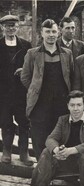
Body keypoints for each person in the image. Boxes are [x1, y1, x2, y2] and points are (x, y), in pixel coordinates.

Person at [21, 90, 84, 186]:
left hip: (82, 163)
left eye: (79, 105)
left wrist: (71, 150)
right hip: (65, 161)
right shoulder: (62, 120)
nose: (76, 109)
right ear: (68, 106)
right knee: (48, 151)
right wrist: (57, 150)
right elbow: (51, 138)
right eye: (72, 105)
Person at [21, 19, 74, 160]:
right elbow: (25, 77)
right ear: (42, 34)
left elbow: (71, 77)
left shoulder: (67, 54)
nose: (51, 35)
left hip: (61, 105)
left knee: (60, 138)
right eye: (48, 31)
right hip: (40, 105)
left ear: (58, 33)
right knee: (39, 139)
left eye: (54, 31)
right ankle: (41, 170)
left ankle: (57, 172)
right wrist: (36, 90)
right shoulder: (32, 54)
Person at [0, 14, 33, 166]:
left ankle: (24, 153)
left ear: (17, 27)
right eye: (8, 26)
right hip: (4, 93)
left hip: (21, 93)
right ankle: (6, 152)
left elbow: (33, 66)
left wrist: (24, 69)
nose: (11, 28)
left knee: (24, 123)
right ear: (2, 28)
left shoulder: (26, 46)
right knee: (6, 122)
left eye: (13, 25)